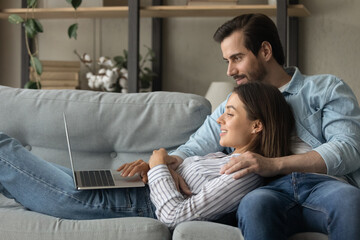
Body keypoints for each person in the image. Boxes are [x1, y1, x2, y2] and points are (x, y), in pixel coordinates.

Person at [160, 13, 360, 239]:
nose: (229, 71)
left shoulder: (325, 88)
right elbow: (194, 147)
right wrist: (168, 164)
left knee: (351, 200)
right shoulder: (231, 104)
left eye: (237, 58)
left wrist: (272, 164)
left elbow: (348, 148)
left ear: (265, 51)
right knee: (254, 206)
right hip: (268, 190)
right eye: (227, 61)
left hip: (324, 184)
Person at [0, 82, 294, 229]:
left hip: (121, 205)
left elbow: (174, 215)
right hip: (122, 191)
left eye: (229, 113)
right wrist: (164, 165)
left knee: (3, 150)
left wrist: (158, 166)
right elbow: (181, 187)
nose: (220, 120)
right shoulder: (222, 157)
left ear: (257, 126)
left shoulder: (243, 174)